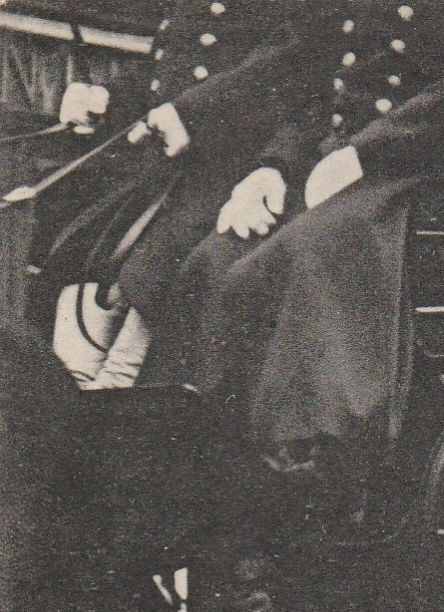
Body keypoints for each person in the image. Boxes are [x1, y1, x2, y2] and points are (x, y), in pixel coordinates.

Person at [176, 0, 444, 612]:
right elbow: (316, 82)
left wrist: (363, 153)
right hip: (340, 172)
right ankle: (214, 463)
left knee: (307, 257)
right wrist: (270, 166)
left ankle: (310, 457)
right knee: (216, 261)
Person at [32, 1, 338, 389]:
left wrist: (268, 159)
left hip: (259, 167)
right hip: (184, 159)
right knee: (77, 238)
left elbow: (305, 79)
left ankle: (126, 385)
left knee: (167, 268)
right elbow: (178, 68)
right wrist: (107, 97)